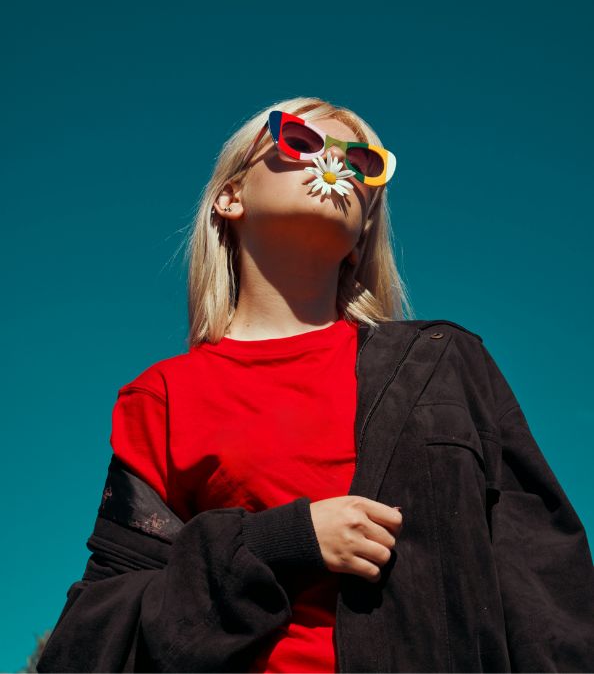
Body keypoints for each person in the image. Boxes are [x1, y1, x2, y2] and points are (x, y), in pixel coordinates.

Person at [37, 96, 594, 673]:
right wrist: (280, 541)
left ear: (365, 228)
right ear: (230, 197)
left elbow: (546, 585)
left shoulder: (444, 365)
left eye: (363, 160)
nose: (338, 165)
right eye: (299, 141)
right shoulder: (164, 396)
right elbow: (96, 637)